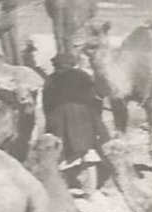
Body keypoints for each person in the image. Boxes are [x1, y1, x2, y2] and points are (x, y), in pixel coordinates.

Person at [42, 53, 110, 191]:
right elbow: (96, 98)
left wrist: (50, 121)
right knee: (90, 147)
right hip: (86, 114)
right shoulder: (83, 75)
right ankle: (92, 188)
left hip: (61, 116)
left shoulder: (52, 79)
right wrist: (96, 117)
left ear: (56, 66)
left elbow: (47, 104)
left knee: (62, 149)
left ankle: (65, 184)